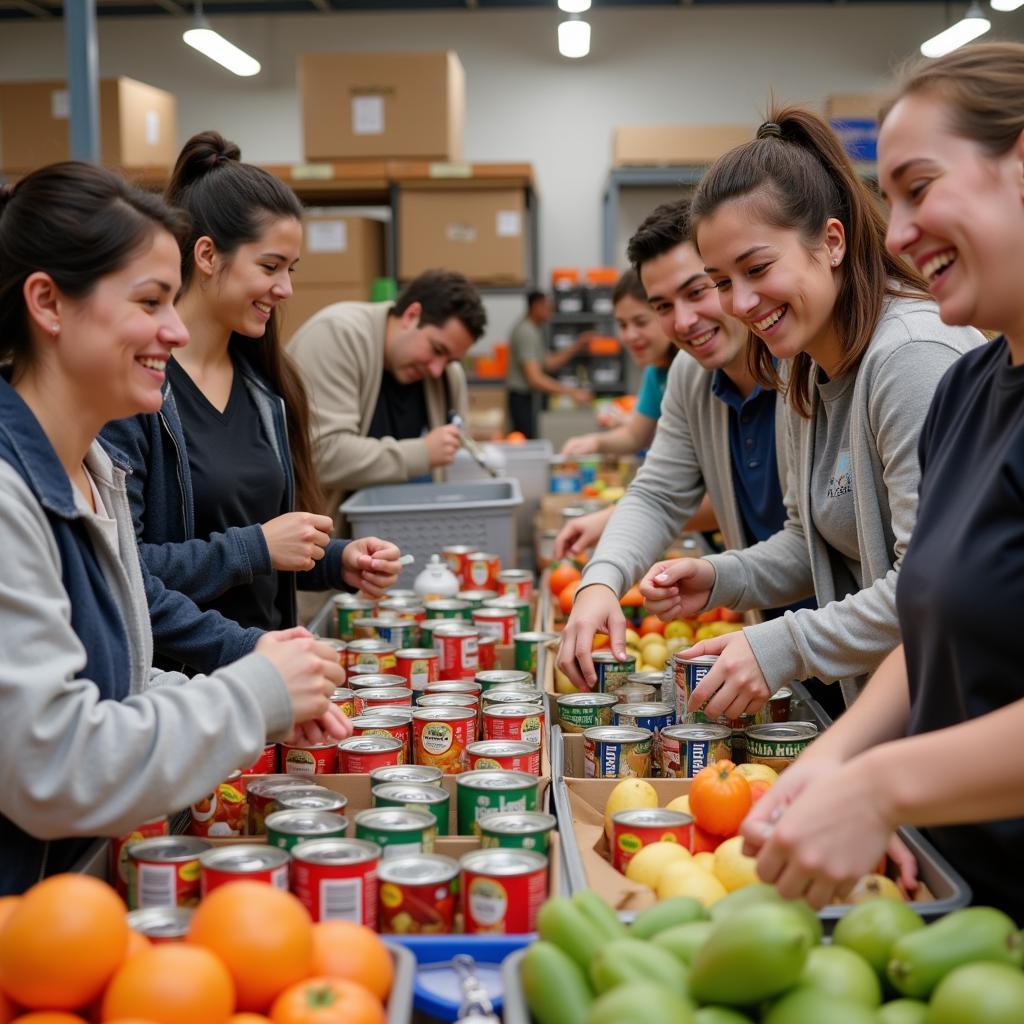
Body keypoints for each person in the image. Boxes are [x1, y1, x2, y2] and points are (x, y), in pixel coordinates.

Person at [0, 163, 347, 894]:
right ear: (48, 303)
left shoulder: (96, 473)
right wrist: (250, 692)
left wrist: (261, 692)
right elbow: (51, 763)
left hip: (70, 902)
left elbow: (121, 684)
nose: (177, 328)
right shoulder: (11, 497)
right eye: (151, 300)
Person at [741, 44, 1024, 917]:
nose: (895, 233)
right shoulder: (971, 393)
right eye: (887, 199)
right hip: (960, 904)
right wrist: (840, 759)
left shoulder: (918, 364)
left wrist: (883, 788)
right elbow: (933, 626)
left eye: (920, 186)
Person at [638, 107, 982, 723]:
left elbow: (931, 585)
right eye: (720, 280)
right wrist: (719, 577)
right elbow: (810, 539)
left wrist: (782, 645)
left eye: (758, 268)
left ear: (831, 241)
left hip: (966, 725)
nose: (739, 303)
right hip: (896, 720)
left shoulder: (911, 358)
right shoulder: (803, 367)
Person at [103, 132, 401, 662]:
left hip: (269, 678)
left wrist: (336, 560)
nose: (285, 288)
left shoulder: (267, 390)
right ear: (208, 255)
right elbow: (126, 570)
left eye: (292, 269)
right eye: (270, 267)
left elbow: (263, 537)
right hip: (186, 693)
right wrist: (257, 548)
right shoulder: (137, 394)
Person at [557, 200, 796, 694]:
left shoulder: (805, 364)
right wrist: (600, 582)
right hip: (769, 634)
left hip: (849, 638)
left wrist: (715, 575)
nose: (683, 321)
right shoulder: (690, 375)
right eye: (662, 306)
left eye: (697, 291)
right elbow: (658, 496)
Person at [289, 269, 487, 533]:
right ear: (411, 315)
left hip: (401, 538)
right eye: (437, 350)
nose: (438, 369)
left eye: (450, 360)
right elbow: (322, 454)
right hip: (323, 547)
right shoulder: (337, 335)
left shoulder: (446, 376)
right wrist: (422, 453)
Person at [560, 269, 676, 458]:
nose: (630, 335)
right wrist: (594, 442)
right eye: (622, 325)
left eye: (641, 322)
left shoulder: (693, 370)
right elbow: (635, 435)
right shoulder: (655, 372)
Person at [506, 290, 592, 438]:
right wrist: (572, 392)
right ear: (536, 306)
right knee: (526, 444)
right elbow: (535, 379)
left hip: (529, 398)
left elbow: (548, 363)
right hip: (521, 399)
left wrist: (577, 345)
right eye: (547, 306)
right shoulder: (526, 331)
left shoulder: (534, 330)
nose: (551, 310)